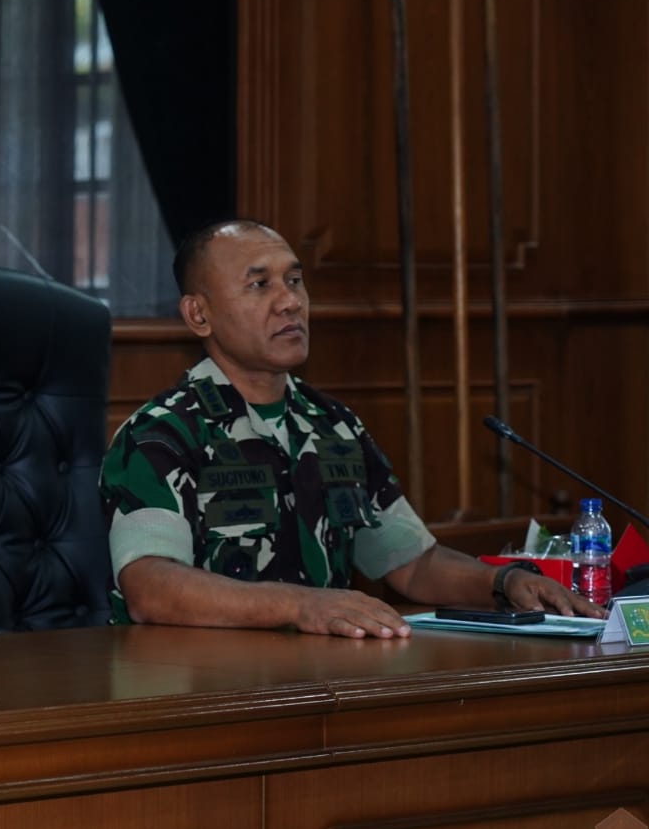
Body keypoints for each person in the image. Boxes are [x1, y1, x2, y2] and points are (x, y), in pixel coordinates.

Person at [101, 218, 603, 638]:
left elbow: (413, 563)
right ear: (198, 314)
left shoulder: (333, 425)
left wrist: (504, 583)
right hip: (201, 687)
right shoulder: (162, 434)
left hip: (322, 682)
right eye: (260, 285)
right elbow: (150, 588)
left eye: (295, 280)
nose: (290, 302)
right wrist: (300, 605)